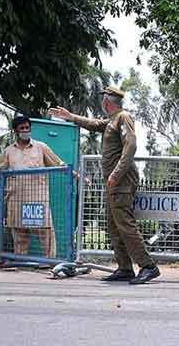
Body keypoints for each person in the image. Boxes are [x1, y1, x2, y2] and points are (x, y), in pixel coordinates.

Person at [49, 86, 160, 285]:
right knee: (113, 224)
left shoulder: (123, 117)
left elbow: (131, 145)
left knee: (125, 224)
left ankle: (148, 266)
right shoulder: (111, 120)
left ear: (106, 102)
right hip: (113, 182)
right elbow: (93, 123)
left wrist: (117, 173)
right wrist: (71, 116)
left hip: (122, 180)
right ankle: (125, 268)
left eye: (103, 100)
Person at [0, 116, 65, 258]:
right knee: (19, 234)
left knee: (45, 232)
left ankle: (50, 261)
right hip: (16, 199)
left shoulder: (41, 147)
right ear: (15, 131)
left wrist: (77, 176)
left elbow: (59, 163)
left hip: (37, 200)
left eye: (27, 128)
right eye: (22, 128)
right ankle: (21, 261)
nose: (25, 130)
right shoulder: (8, 152)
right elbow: (0, 172)